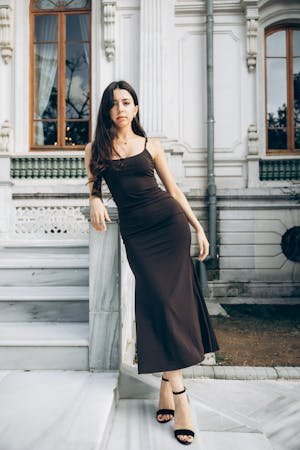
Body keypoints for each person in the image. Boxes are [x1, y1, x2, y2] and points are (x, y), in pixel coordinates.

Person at [85, 80, 220, 445]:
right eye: (114, 104)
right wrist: (95, 198)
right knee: (157, 304)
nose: (121, 109)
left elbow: (173, 191)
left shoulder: (151, 146)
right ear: (107, 111)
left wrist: (198, 228)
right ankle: (176, 391)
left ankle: (173, 392)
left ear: (136, 108)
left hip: (169, 225)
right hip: (139, 237)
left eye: (127, 102)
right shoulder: (95, 148)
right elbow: (93, 183)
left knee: (173, 307)